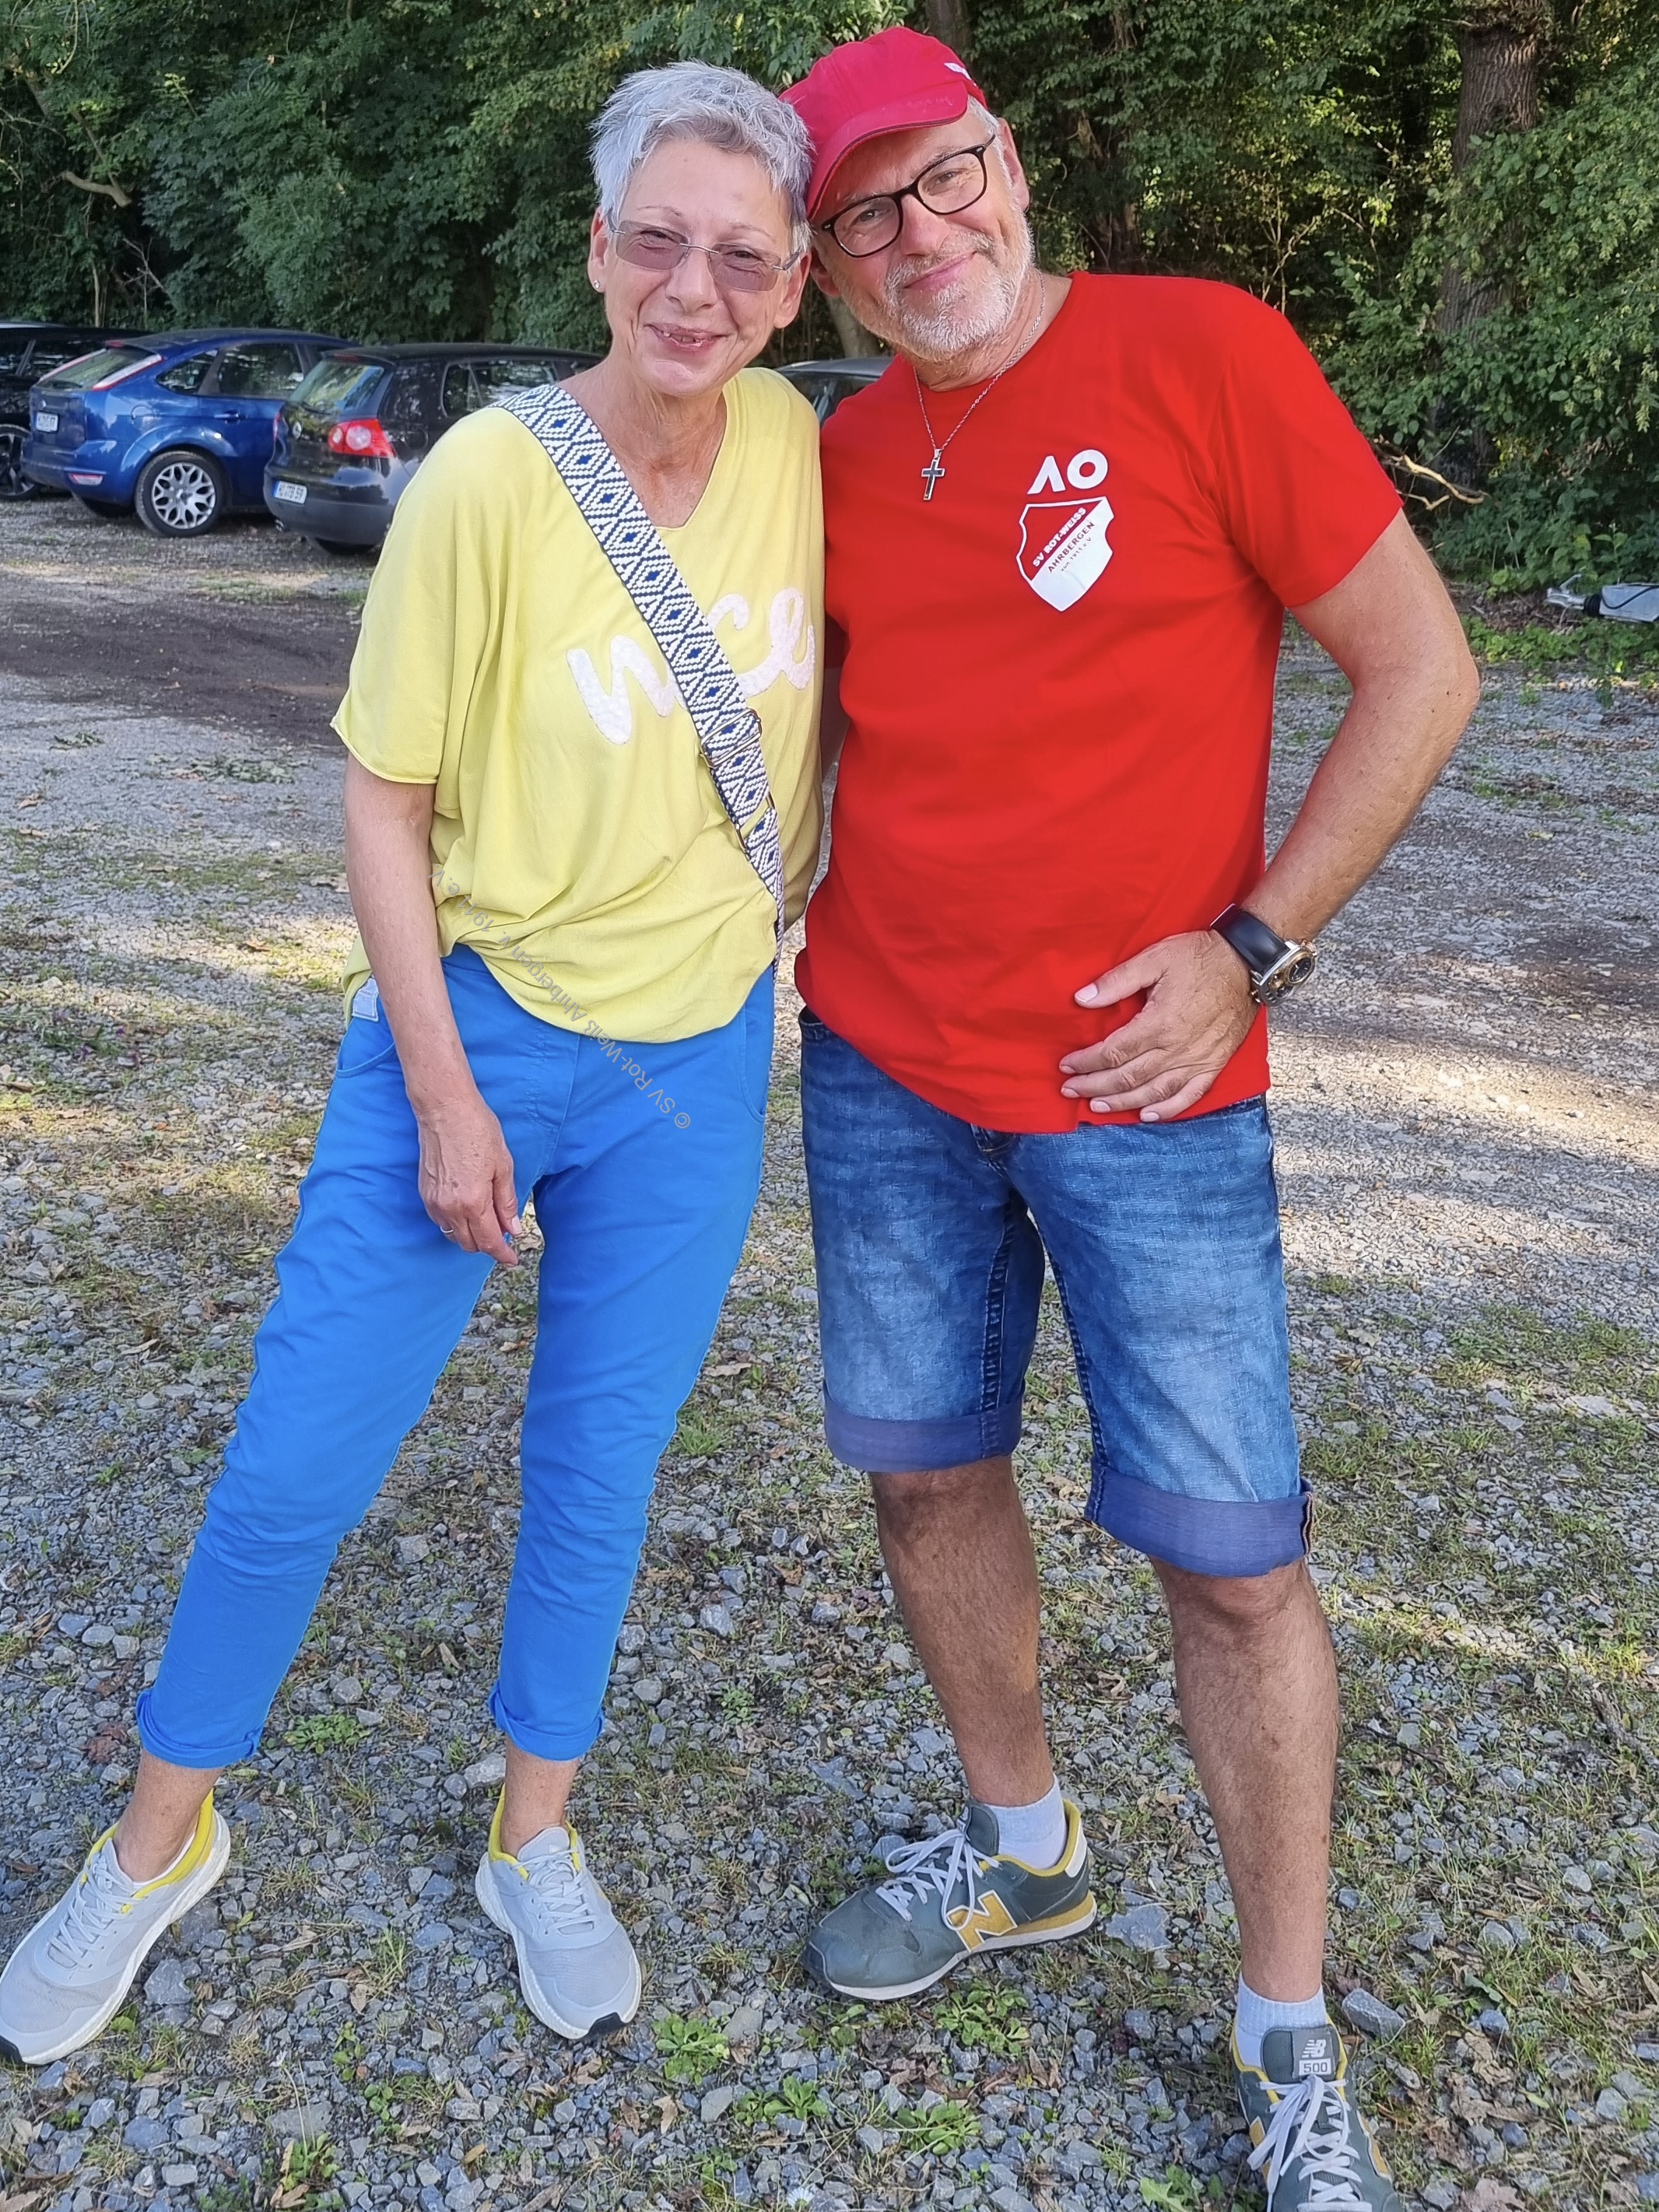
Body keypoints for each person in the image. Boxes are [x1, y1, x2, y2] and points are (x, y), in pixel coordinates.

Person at [0, 61, 822, 2066]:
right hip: (475, 1038)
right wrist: (449, 1099)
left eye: (741, 256)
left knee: (598, 1471)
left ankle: (534, 1834)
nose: (694, 289)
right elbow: (383, 803)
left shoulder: (802, 448)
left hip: (698, 1061)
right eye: (658, 240)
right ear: (598, 250)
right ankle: (157, 1841)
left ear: (798, 282)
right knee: (298, 1462)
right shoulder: (488, 481)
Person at [779, 28, 1478, 2211]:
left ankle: (1285, 2031)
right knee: (922, 1477)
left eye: (949, 174)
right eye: (868, 212)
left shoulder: (1202, 354)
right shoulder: (836, 449)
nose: (926, 233)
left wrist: (1255, 945)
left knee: (1233, 1565)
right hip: (883, 1061)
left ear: (1010, 164)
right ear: (828, 267)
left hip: (1148, 1091)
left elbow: (1420, 666)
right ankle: (1025, 1849)